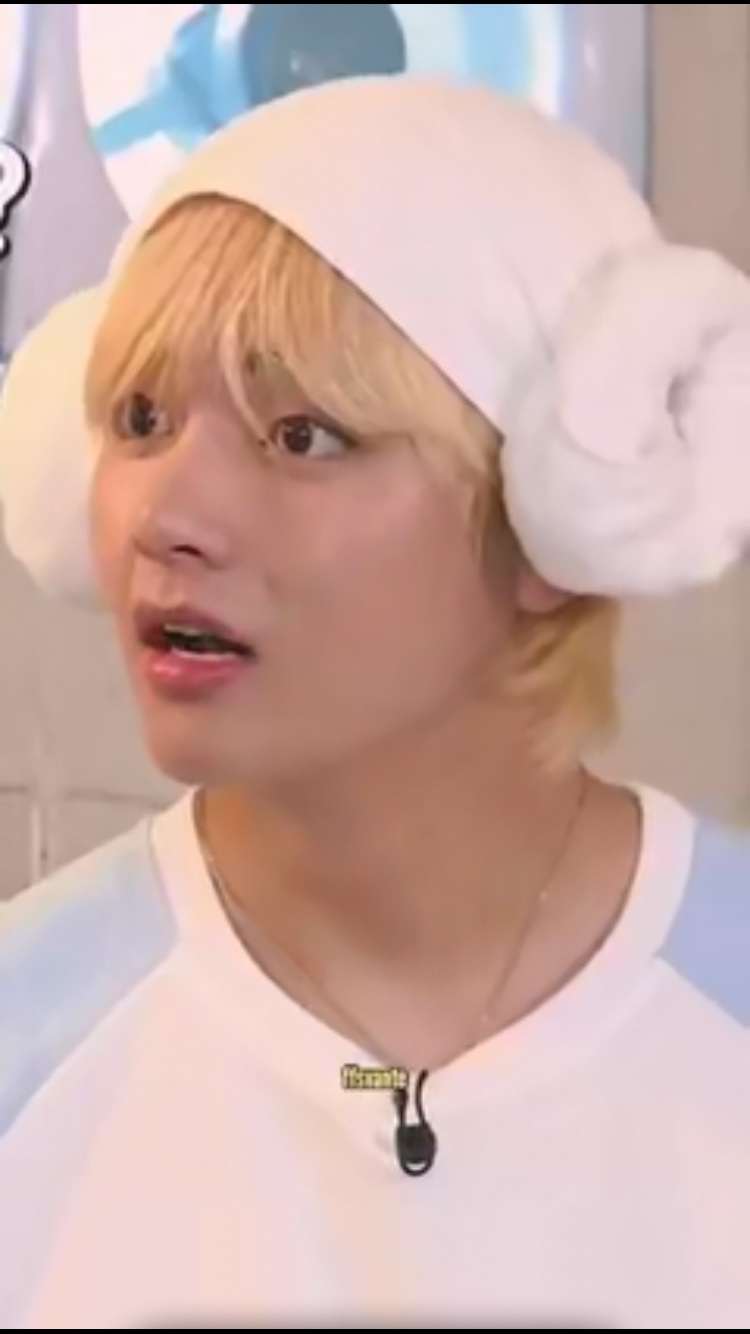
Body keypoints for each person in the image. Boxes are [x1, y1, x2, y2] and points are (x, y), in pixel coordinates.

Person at [1, 74, 750, 1330]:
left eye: (302, 434)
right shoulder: (31, 1038)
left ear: (557, 507)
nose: (166, 515)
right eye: (140, 418)